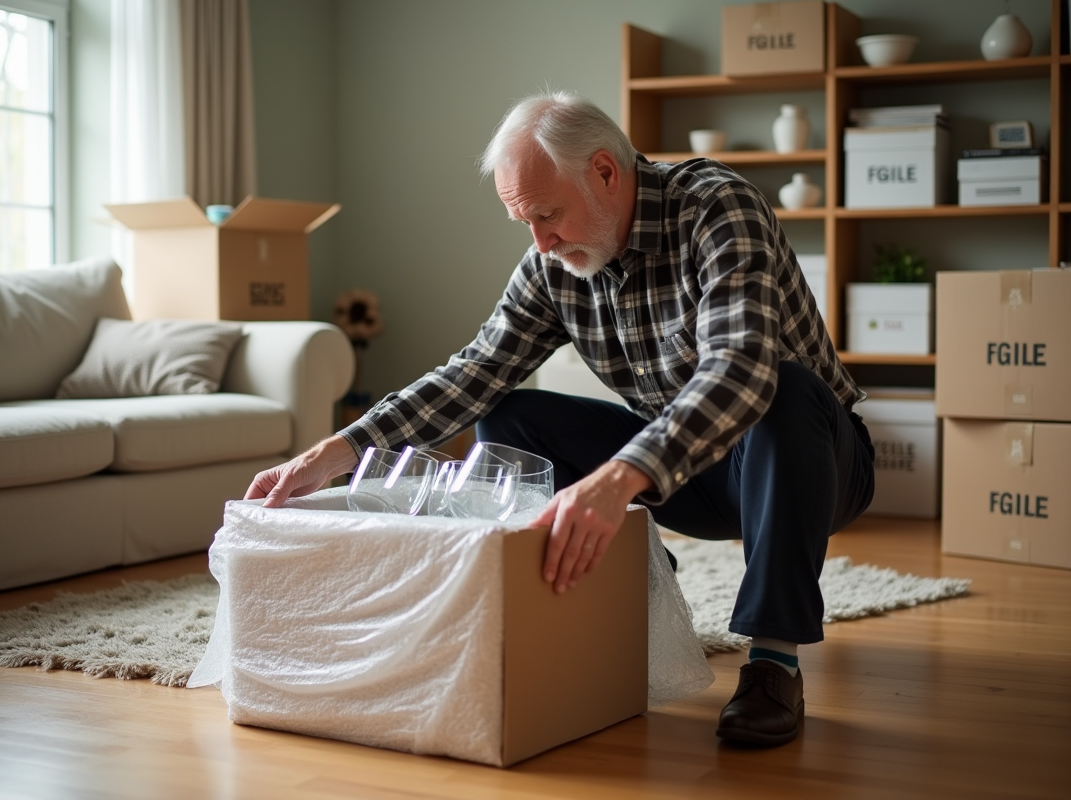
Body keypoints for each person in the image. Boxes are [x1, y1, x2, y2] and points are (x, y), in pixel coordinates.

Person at [246, 91, 875, 748]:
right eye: (524, 221)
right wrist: (335, 452)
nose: (540, 241)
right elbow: (471, 374)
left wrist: (619, 477)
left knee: (782, 386)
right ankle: (627, 595)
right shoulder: (554, 264)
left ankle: (773, 661)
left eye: (547, 214)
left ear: (605, 172)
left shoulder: (716, 207)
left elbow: (739, 368)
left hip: (811, 466)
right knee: (509, 411)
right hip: (687, 473)